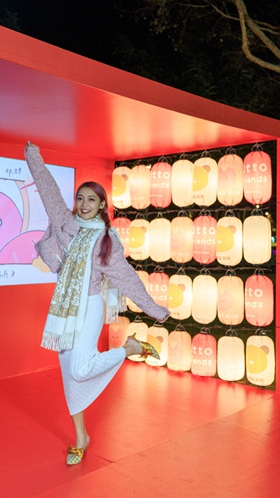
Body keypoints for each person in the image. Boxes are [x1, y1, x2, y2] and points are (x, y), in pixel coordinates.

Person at [25, 141, 170, 466]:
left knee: (80, 369)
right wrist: (33, 157)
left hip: (88, 307)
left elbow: (127, 279)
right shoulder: (66, 225)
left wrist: (154, 309)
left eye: (91, 199)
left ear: (103, 204)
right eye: (80, 198)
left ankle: (129, 348)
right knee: (69, 375)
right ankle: (81, 438)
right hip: (63, 309)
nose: (84, 204)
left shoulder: (106, 241)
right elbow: (48, 190)